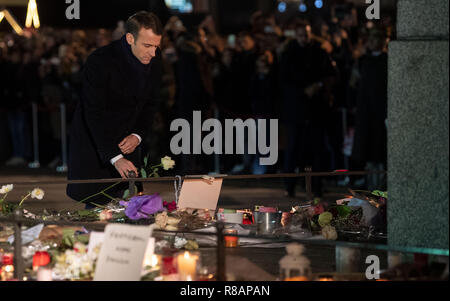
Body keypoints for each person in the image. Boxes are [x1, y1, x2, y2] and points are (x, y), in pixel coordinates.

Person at [67, 11, 163, 207]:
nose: (153, 53)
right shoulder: (100, 61)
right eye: (147, 45)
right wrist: (115, 157)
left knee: (129, 208)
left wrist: (137, 135)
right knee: (98, 210)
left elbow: (151, 104)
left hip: (129, 147)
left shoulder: (154, 58)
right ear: (130, 38)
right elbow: (93, 113)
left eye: (156, 46)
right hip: (97, 150)